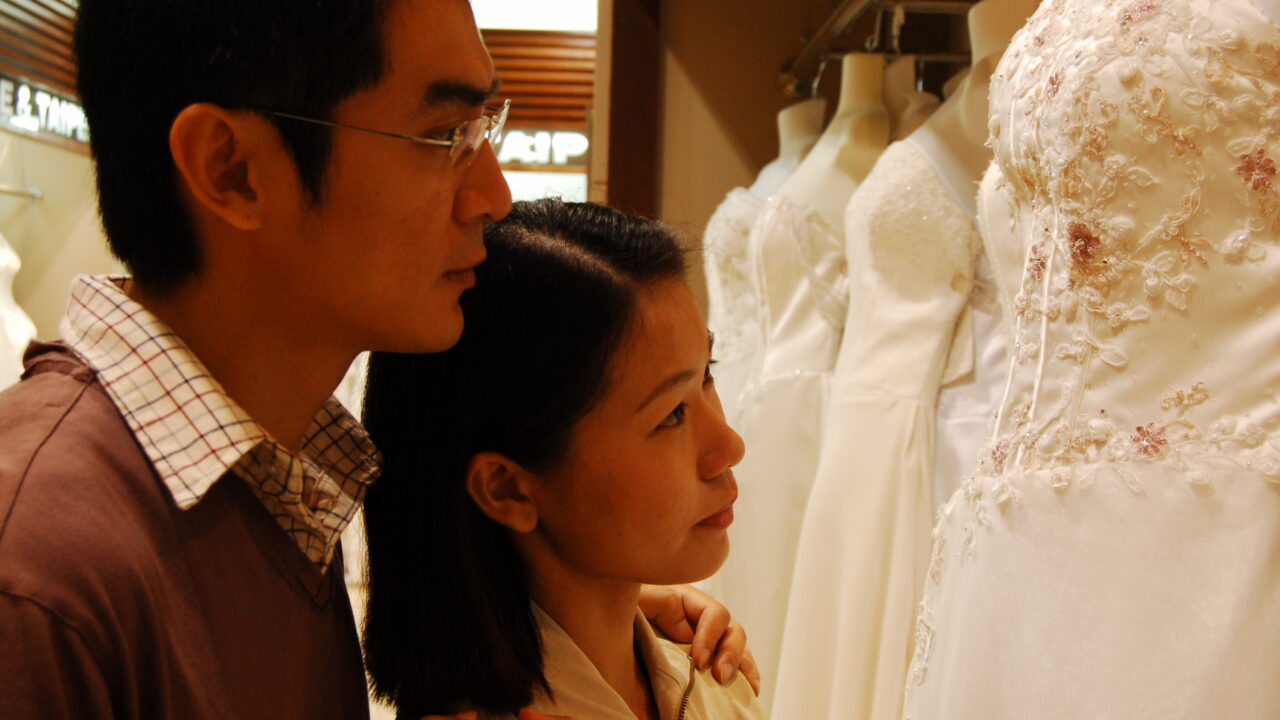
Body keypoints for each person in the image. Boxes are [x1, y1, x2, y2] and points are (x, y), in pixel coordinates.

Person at [0, 1, 753, 717]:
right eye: (445, 135)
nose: (493, 194)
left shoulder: (282, 482)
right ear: (233, 168)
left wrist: (596, 619)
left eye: (484, 128)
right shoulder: (40, 572)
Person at [360, 199, 764, 720]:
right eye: (669, 415)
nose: (729, 446)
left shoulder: (712, 677)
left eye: (707, 374)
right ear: (508, 488)